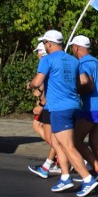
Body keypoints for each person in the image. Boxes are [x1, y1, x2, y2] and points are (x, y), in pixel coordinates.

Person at [27, 30, 98, 197]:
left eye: (44, 43)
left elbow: (37, 81)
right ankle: (65, 177)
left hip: (60, 108)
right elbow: (83, 81)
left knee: (68, 146)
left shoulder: (47, 59)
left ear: (50, 44)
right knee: (57, 143)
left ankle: (88, 179)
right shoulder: (73, 60)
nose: (44, 46)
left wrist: (30, 85)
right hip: (73, 105)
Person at [69, 35, 98, 186]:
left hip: (92, 108)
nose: (72, 50)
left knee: (75, 140)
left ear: (77, 47)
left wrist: (75, 91)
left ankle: (97, 168)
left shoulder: (82, 63)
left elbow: (88, 83)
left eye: (73, 47)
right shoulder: (97, 62)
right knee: (95, 142)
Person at [27, 42, 59, 178]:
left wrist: (40, 103)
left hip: (50, 105)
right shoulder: (48, 62)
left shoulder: (46, 62)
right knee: (52, 135)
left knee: (51, 135)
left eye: (38, 52)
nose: (37, 55)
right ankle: (52, 161)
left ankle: (63, 156)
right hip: (51, 104)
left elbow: (47, 87)